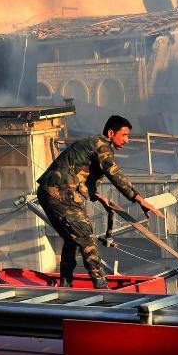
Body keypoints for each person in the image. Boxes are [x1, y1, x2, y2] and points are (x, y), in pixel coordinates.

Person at [36, 115, 164, 288]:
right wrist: (139, 199)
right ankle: (101, 287)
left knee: (73, 238)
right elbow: (115, 175)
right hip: (60, 194)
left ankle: (66, 285)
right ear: (111, 133)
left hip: (52, 192)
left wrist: (99, 197)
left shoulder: (94, 144)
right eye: (124, 135)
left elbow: (80, 175)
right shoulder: (101, 145)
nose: (126, 140)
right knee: (86, 236)